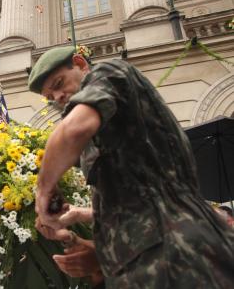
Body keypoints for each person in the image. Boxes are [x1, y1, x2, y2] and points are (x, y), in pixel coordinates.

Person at [29, 46, 234, 288]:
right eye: (50, 97)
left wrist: (43, 189)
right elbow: (135, 201)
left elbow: (75, 130)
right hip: (141, 263)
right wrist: (79, 225)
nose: (58, 97)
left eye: (59, 83)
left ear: (81, 64)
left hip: (179, 255)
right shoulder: (103, 137)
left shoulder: (110, 73)